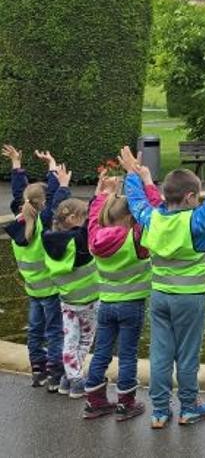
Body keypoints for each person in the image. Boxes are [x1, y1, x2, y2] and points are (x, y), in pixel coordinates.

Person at [120, 135, 205, 428]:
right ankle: (189, 408)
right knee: (187, 356)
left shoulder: (153, 219)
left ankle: (159, 411)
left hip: (159, 297)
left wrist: (134, 174)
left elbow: (138, 202)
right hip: (190, 299)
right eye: (197, 196)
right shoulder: (196, 222)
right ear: (190, 198)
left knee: (160, 354)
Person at [83, 167, 160, 421]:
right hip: (132, 305)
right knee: (127, 354)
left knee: (102, 352)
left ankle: (94, 401)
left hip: (106, 305)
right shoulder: (136, 239)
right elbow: (156, 215)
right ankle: (126, 403)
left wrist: (103, 196)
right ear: (131, 217)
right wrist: (142, 182)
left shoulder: (94, 241)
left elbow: (93, 220)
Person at [2, 146, 65, 391]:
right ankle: (55, 376)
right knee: (55, 333)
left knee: (35, 332)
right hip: (50, 291)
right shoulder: (42, 225)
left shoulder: (19, 224)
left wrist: (17, 164)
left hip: (33, 291)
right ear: (43, 204)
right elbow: (54, 200)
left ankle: (37, 372)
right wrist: (53, 168)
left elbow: (20, 195)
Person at [42, 164, 98, 400]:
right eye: (82, 216)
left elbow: (53, 213)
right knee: (85, 340)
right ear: (75, 218)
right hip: (89, 302)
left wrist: (63, 187)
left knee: (70, 340)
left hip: (67, 301)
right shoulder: (79, 242)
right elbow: (91, 223)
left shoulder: (48, 237)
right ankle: (76, 380)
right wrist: (99, 193)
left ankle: (68, 377)